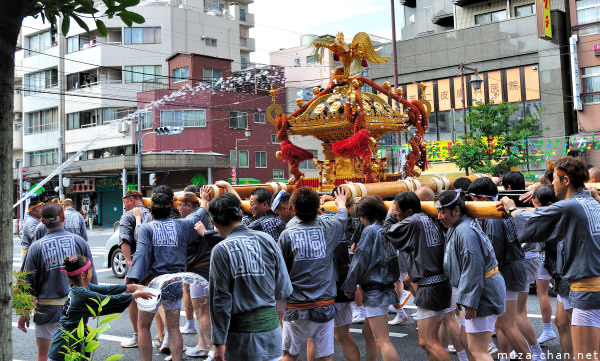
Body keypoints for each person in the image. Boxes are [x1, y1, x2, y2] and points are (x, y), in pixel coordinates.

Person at [498, 156, 600, 361]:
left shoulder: (570, 206)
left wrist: (511, 208)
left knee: (586, 356)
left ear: (566, 180)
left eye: (554, 179)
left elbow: (534, 218)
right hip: (591, 285)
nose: (551, 183)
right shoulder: (592, 202)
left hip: (587, 288)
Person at [199, 193, 293, 361]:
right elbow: (283, 289)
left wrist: (218, 343)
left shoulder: (221, 249)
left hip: (241, 337)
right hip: (272, 333)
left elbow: (220, 300)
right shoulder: (267, 240)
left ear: (214, 223)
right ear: (241, 214)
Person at [126, 190, 209, 361]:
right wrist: (204, 200)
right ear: (170, 208)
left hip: (153, 282)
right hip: (174, 281)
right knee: (174, 328)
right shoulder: (180, 225)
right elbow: (199, 214)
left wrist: (132, 278)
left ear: (151, 210)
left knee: (143, 327)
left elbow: (141, 255)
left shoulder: (146, 228)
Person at [467, 177, 536, 361]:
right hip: (513, 266)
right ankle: (506, 357)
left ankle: (532, 357)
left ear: (482, 199)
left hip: (508, 270)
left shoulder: (493, 216)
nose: (472, 204)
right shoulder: (501, 209)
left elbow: (494, 251)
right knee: (503, 323)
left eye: (473, 200)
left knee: (507, 324)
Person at [18, 202, 96, 361]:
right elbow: (90, 274)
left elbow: (28, 282)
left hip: (46, 309)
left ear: (42, 221)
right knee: (76, 353)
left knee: (44, 356)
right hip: (76, 306)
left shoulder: (36, 247)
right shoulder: (79, 242)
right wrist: (94, 301)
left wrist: (24, 312)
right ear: (63, 218)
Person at [279, 187, 348, 361]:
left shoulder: (287, 235)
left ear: (293, 209)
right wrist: (340, 203)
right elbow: (342, 217)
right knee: (325, 356)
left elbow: (281, 270)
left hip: (296, 306)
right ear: (318, 208)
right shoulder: (328, 229)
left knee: (288, 355)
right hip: (324, 304)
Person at [436, 190, 505, 361]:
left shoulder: (465, 230)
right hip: (481, 288)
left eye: (442, 211)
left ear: (457, 211)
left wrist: (470, 303)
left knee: (478, 350)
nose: (439, 216)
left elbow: (473, 267)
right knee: (466, 341)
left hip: (483, 291)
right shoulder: (459, 226)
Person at [47, 255, 155, 361]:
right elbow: (108, 300)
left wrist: (131, 287)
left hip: (68, 342)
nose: (92, 273)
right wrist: (135, 295)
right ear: (83, 275)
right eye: (91, 270)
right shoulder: (81, 294)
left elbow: (106, 289)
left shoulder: (79, 288)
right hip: (64, 346)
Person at [385, 190, 452, 361]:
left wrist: (389, 211)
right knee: (434, 340)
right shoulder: (428, 217)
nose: (396, 215)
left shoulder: (413, 221)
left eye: (398, 212)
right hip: (440, 284)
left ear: (408, 212)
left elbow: (389, 231)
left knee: (426, 342)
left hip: (430, 287)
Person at [177, 190, 215, 358]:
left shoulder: (192, 222)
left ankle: (213, 349)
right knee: (206, 312)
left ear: (189, 206)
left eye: (180, 205)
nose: (177, 208)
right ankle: (202, 344)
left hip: (200, 270)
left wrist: (204, 202)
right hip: (207, 269)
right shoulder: (207, 219)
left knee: (202, 312)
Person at [119, 190, 153, 349]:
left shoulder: (128, 216)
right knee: (157, 298)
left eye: (125, 201)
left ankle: (136, 335)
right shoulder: (153, 212)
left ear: (131, 200)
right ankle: (162, 336)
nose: (124, 205)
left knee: (132, 297)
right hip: (155, 263)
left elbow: (125, 240)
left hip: (137, 262)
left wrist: (128, 261)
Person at [21, 198, 43, 262]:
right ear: (33, 211)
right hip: (28, 254)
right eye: (39, 208)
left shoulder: (36, 220)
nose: (42, 210)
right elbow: (35, 237)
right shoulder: (31, 221)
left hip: (31, 253)